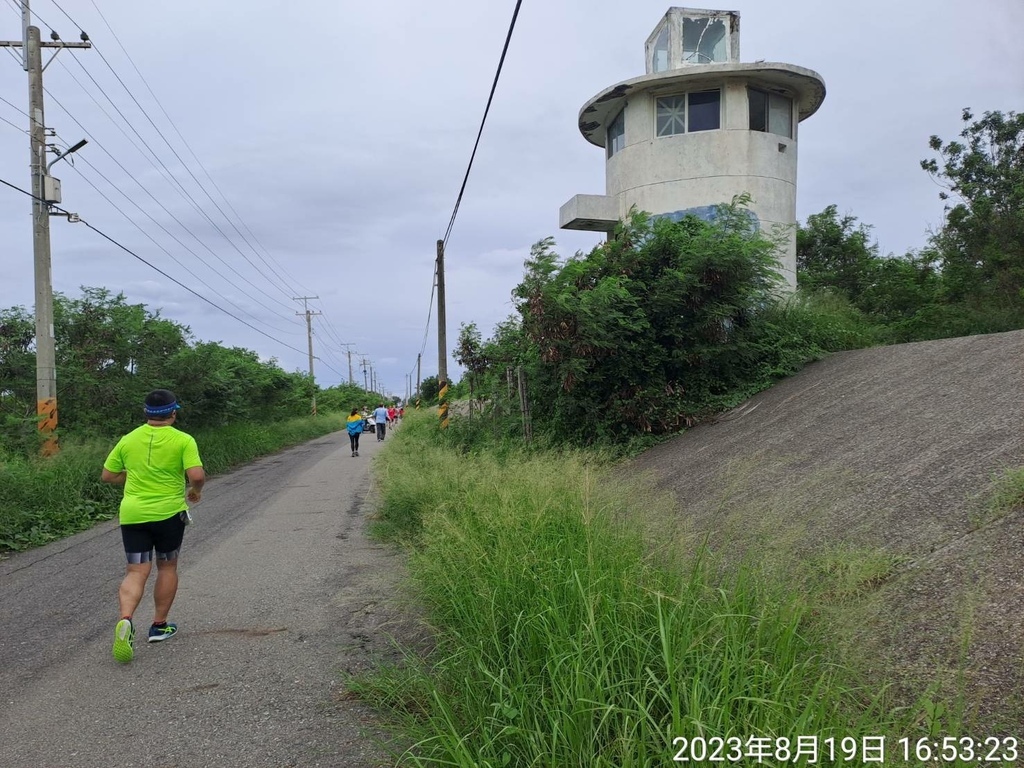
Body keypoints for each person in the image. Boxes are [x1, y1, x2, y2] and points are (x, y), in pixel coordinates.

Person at [101, 389, 204, 663]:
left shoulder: (128, 439)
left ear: (146, 413)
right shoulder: (183, 439)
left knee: (136, 570)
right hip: (168, 514)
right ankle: (159, 626)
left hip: (133, 514)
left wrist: (133, 477)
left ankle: (125, 619)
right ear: (173, 413)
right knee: (167, 566)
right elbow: (196, 474)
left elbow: (108, 475)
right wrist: (195, 490)